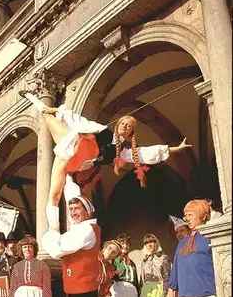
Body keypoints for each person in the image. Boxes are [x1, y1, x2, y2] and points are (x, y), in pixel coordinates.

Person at [19, 90, 192, 230]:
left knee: (63, 194)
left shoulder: (121, 152)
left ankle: (59, 227)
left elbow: (141, 154)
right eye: (123, 123)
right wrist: (62, 113)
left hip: (77, 166)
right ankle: (33, 98)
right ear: (118, 125)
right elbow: (81, 122)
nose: (124, 127)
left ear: (131, 133)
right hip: (69, 145)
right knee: (48, 117)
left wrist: (173, 149)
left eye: (129, 126)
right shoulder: (102, 130)